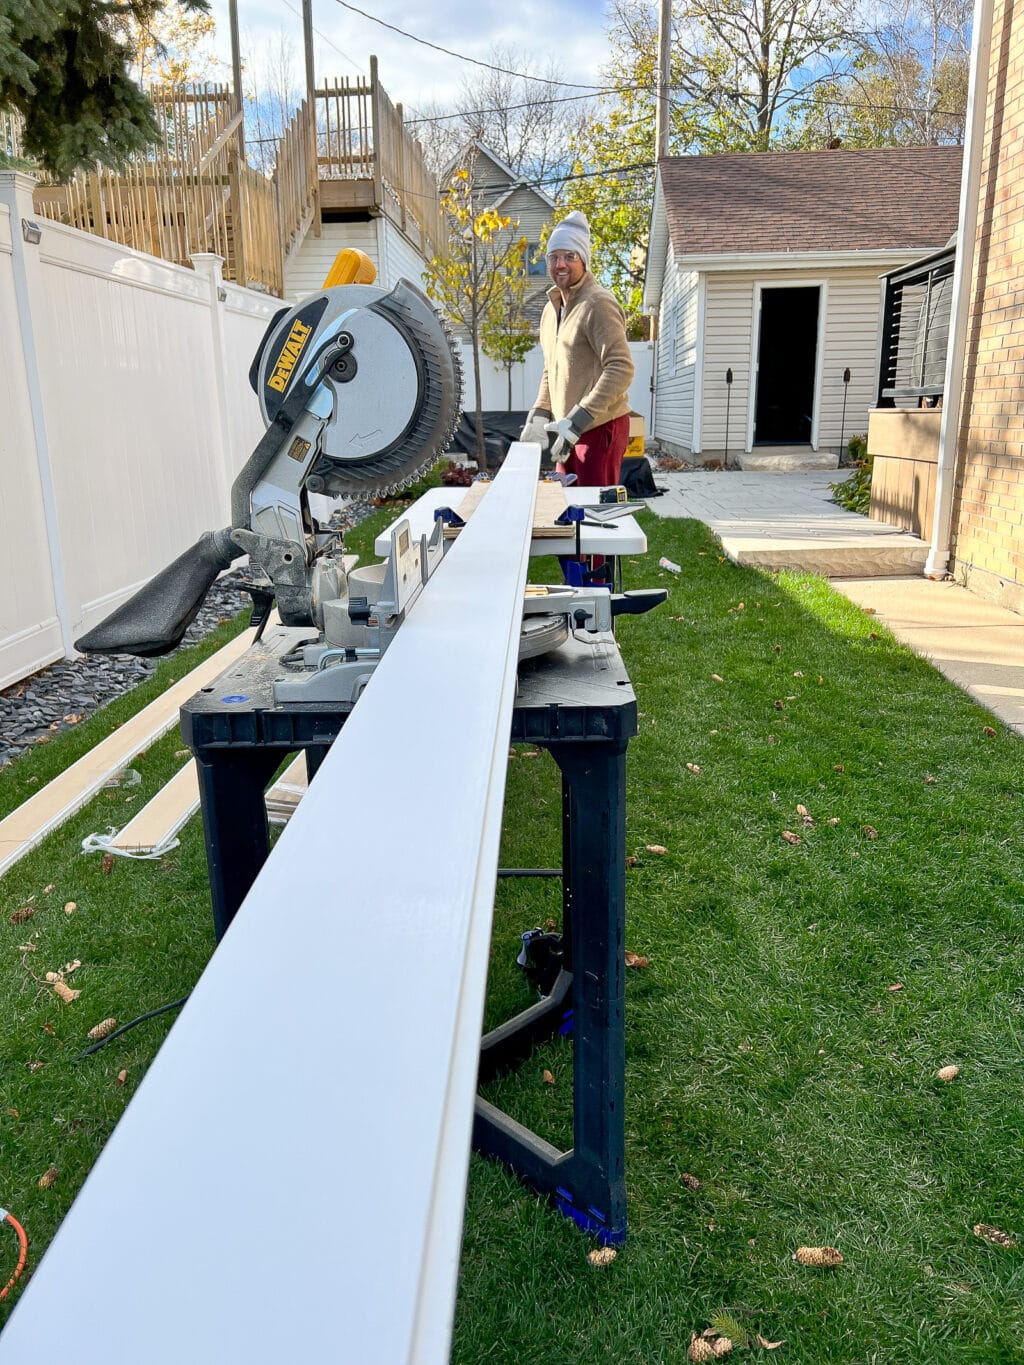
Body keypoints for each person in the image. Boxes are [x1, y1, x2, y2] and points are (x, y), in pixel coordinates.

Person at [520, 210, 634, 488]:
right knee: (566, 507)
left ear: (584, 260)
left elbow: (621, 368)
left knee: (594, 514)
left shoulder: (597, 304)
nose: (560, 264)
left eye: (569, 256)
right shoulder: (552, 309)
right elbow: (553, 369)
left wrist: (579, 419)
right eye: (553, 257)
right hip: (567, 430)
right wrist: (539, 413)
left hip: (598, 428)